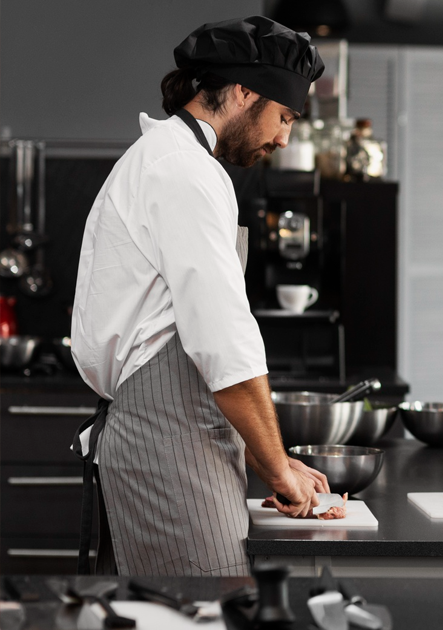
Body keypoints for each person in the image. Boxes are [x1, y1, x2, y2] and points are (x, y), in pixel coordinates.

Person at [70, 16, 332, 576]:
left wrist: (273, 456)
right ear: (243, 94)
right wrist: (278, 470)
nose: (285, 138)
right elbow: (224, 345)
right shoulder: (183, 171)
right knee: (204, 616)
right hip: (169, 446)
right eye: (284, 116)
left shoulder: (171, 160)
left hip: (167, 436)